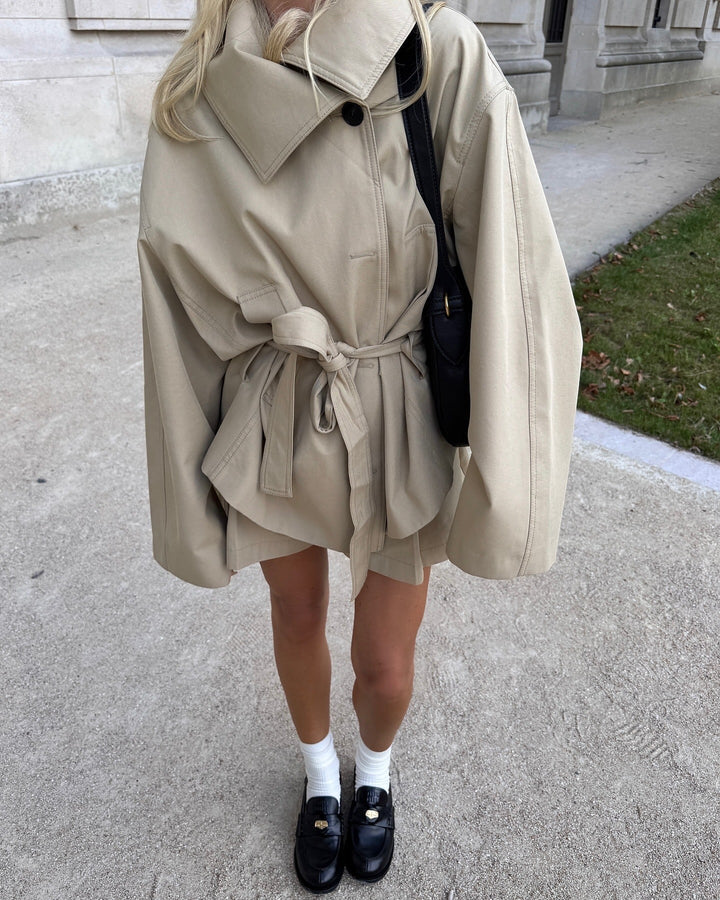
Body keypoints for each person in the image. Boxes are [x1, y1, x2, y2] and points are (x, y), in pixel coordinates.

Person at [137, 0, 583, 892]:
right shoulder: (196, 89)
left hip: (398, 402)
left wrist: (512, 470)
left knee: (384, 661)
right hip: (278, 405)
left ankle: (373, 773)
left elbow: (514, 267)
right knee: (297, 614)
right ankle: (319, 779)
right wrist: (186, 488)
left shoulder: (433, 49)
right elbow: (174, 304)